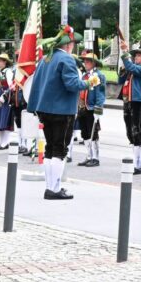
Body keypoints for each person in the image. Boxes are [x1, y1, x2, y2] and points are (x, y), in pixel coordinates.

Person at [27, 26, 97, 200]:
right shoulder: (66, 59)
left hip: (45, 109)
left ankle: (50, 187)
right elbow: (72, 84)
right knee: (60, 149)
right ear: (68, 44)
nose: (74, 46)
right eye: (73, 43)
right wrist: (89, 83)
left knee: (51, 148)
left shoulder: (45, 59)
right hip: (62, 110)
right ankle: (55, 188)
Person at [118, 42, 141, 175]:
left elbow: (131, 66)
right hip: (128, 100)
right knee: (129, 131)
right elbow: (120, 81)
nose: (136, 58)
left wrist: (124, 52)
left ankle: (138, 164)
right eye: (136, 56)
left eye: (138, 56)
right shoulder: (132, 69)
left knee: (136, 130)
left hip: (138, 101)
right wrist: (123, 71)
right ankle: (136, 160)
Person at [77, 51, 106, 167]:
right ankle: (89, 156)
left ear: (94, 63)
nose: (86, 63)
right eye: (85, 61)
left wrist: (98, 109)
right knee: (85, 133)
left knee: (93, 133)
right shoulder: (85, 76)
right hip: (82, 107)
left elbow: (100, 94)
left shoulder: (98, 75)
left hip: (91, 108)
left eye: (88, 61)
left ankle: (96, 158)